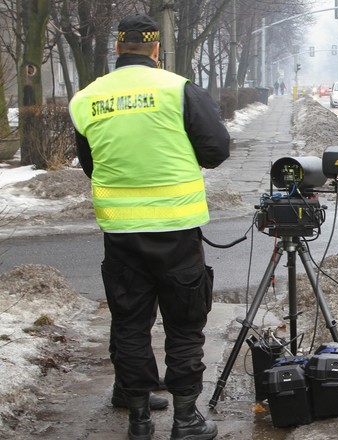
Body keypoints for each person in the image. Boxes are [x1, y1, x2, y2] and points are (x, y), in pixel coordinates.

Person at [68, 13, 230, 440]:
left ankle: (139, 419)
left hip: (121, 234)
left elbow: (89, 165)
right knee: (184, 324)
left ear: (118, 48)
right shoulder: (178, 90)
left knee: (130, 324)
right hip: (176, 229)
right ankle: (185, 419)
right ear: (156, 49)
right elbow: (215, 149)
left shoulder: (88, 98)